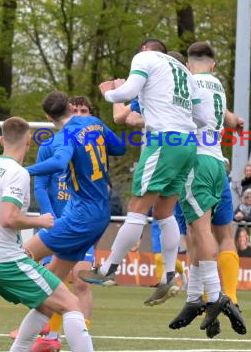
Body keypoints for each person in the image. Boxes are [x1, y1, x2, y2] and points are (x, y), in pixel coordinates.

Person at [80, 38, 208, 308]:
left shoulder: (145, 60)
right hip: (187, 144)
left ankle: (108, 269)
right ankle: (169, 274)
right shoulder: (184, 72)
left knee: (137, 209)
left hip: (162, 142)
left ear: (144, 51)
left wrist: (107, 91)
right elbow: (202, 118)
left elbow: (126, 93)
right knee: (164, 213)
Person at [0, 117, 94, 352]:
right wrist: (41, 220)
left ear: (1, 140)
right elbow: (9, 218)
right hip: (6, 260)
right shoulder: (17, 173)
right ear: (29, 140)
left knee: (46, 306)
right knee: (71, 305)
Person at [19, 92, 125, 351]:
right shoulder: (95, 123)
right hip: (99, 213)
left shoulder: (65, 136)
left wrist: (22, 170)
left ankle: (39, 336)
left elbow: (58, 161)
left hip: (81, 216)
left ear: (48, 117)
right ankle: (42, 340)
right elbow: (120, 148)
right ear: (70, 107)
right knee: (53, 286)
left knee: (22, 257)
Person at [168, 41, 245, 336]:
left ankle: (215, 298)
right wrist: (235, 120)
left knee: (199, 233)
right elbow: (224, 115)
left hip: (195, 161)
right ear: (213, 64)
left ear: (188, 65)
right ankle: (194, 299)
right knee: (195, 231)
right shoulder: (217, 85)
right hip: (216, 163)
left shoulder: (186, 82)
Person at [26, 94, 99, 351]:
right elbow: (41, 185)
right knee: (51, 279)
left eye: (84, 110)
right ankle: (50, 337)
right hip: (55, 223)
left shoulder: (92, 144)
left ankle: (80, 332)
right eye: (75, 110)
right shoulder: (52, 144)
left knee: (80, 279)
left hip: (79, 222)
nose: (79, 114)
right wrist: (50, 218)